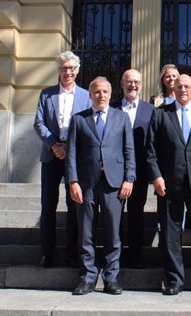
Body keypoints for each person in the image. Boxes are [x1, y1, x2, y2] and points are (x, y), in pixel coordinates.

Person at [146, 74, 191, 296]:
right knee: (170, 233)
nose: (183, 89)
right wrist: (156, 176)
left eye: (187, 86)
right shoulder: (160, 115)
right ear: (173, 89)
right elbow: (150, 151)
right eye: (179, 86)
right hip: (169, 184)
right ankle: (174, 280)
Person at [66, 77, 136, 296]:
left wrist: (129, 178)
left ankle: (111, 278)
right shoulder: (79, 120)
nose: (101, 95)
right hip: (86, 184)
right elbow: (72, 153)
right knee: (86, 233)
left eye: (105, 92)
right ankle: (87, 277)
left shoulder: (121, 118)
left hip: (114, 184)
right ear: (90, 95)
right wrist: (73, 181)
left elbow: (129, 150)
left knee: (113, 233)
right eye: (97, 92)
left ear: (111, 93)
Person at [33, 51, 90, 268]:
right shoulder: (46, 95)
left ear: (77, 70)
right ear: (58, 70)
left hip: (74, 156)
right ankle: (47, 253)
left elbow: (87, 125)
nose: (68, 72)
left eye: (71, 68)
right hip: (51, 156)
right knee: (48, 206)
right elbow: (38, 123)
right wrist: (55, 145)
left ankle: (71, 253)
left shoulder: (86, 96)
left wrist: (69, 148)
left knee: (74, 205)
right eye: (64, 68)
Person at [116, 69, 155, 268]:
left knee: (136, 214)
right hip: (114, 171)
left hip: (140, 171)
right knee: (114, 215)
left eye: (136, 82)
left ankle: (135, 257)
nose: (133, 85)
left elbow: (153, 142)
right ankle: (114, 257)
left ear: (141, 84)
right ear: (122, 84)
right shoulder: (112, 107)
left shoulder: (150, 110)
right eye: (129, 81)